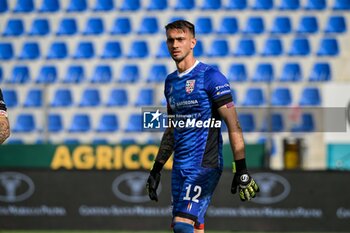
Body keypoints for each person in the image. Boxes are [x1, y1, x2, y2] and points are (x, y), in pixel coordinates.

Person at [146, 20, 259, 233]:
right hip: (180, 166)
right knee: (194, 226)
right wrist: (156, 169)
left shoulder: (211, 77)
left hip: (204, 164)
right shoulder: (170, 82)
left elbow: (233, 123)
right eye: (170, 40)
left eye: (181, 39)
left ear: (193, 42)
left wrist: (241, 168)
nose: (175, 45)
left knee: (182, 225)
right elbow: (172, 128)